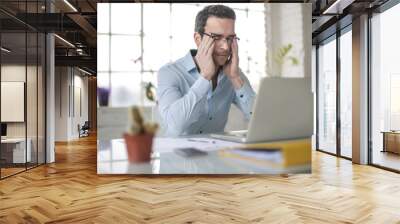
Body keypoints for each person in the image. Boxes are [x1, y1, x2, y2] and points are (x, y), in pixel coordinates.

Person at [157, 4, 255, 136]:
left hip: (216, 154)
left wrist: (235, 78)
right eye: (216, 38)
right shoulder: (170, 72)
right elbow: (176, 126)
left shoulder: (232, 73)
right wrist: (205, 77)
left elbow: (260, 119)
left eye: (230, 38)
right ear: (198, 39)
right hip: (177, 154)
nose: (225, 46)